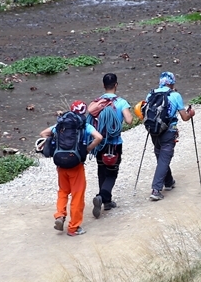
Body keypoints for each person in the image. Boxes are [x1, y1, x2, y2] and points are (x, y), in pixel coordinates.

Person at [39, 101, 102, 236]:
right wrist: (88, 149)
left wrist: (54, 145)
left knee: (63, 191)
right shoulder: (85, 126)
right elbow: (99, 137)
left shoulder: (60, 125)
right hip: (76, 165)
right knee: (77, 195)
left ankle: (60, 215)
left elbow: (43, 133)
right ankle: (73, 228)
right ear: (83, 112)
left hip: (61, 165)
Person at [144, 71, 194, 202]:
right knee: (164, 157)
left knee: (161, 155)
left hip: (154, 130)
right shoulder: (175, 95)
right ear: (172, 83)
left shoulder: (151, 94)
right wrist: (191, 113)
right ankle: (156, 190)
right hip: (169, 131)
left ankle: (169, 181)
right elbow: (184, 117)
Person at [91, 73, 133, 219]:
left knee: (101, 170)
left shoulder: (97, 102)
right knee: (112, 173)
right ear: (116, 84)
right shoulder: (121, 102)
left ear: (103, 86)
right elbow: (129, 120)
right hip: (114, 144)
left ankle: (107, 202)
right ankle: (102, 197)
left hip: (99, 143)